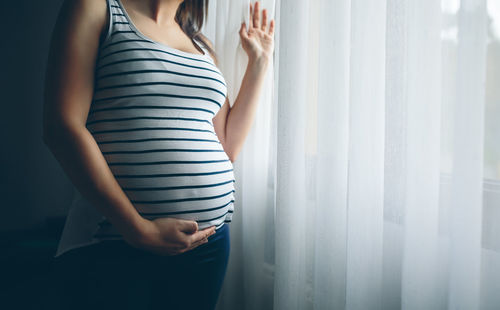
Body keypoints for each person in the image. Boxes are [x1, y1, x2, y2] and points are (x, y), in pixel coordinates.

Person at [42, 0, 274, 309]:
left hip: (207, 243)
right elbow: (62, 126)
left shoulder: (198, 45)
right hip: (115, 240)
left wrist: (259, 63)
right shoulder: (97, 8)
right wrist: (139, 230)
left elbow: (227, 144)